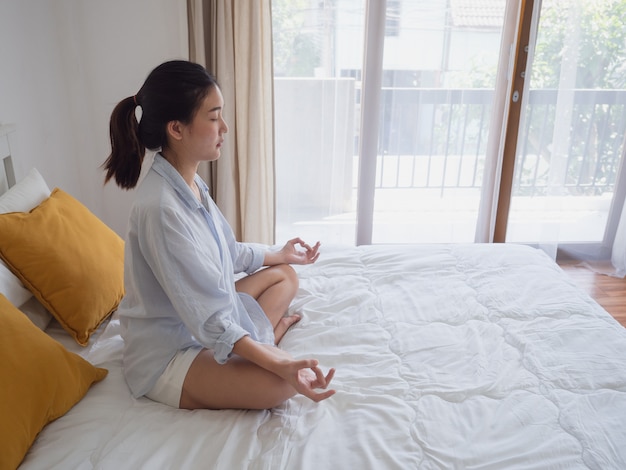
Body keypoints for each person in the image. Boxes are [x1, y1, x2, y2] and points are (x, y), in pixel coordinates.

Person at [103, 60, 335, 410]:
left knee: (284, 276)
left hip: (198, 314)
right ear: (176, 129)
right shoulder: (161, 208)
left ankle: (260, 340)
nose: (224, 127)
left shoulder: (191, 182)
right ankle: (264, 341)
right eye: (213, 117)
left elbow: (228, 252)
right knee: (280, 385)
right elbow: (209, 316)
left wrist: (281, 254)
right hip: (171, 351)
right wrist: (278, 363)